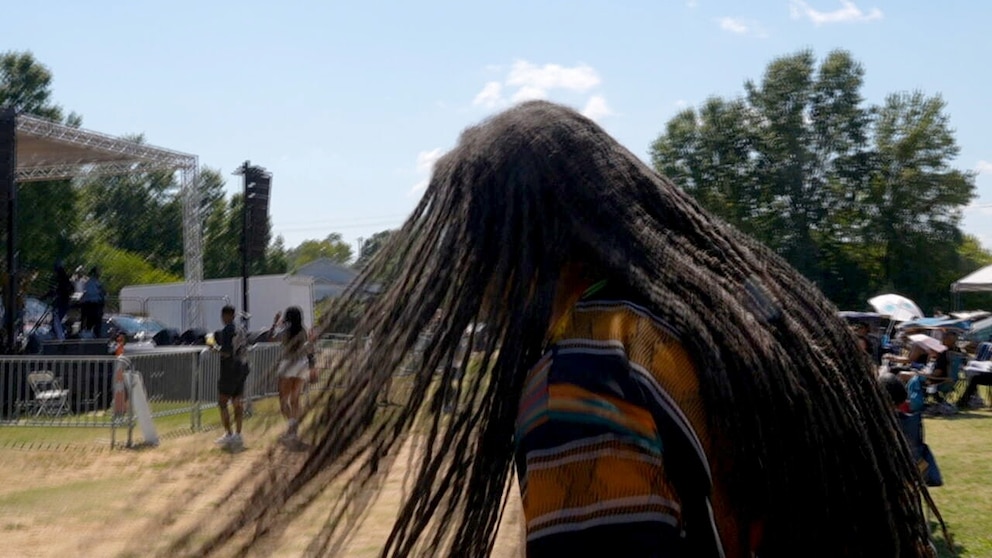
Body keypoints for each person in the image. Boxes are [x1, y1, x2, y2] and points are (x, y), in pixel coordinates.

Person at [173, 101, 945, 557]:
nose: (468, 273)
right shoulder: (745, 325)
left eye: (469, 243)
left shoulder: (589, 374)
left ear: (513, 242)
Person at [270, 306, 314, 445]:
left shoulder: (285, 330)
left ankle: (291, 427)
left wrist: (275, 323)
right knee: (295, 400)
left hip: (288, 364)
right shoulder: (303, 330)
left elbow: (271, 338)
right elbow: (309, 348)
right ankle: (294, 432)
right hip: (301, 364)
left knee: (283, 400)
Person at [214, 305, 249, 450]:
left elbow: (227, 352)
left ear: (226, 316)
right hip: (242, 367)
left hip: (229, 369)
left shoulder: (227, 331)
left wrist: (214, 348)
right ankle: (238, 434)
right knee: (237, 402)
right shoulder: (241, 329)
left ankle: (229, 433)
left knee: (223, 402)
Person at [45, 262, 74, 340]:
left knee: (57, 320)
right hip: (62, 302)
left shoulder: (61, 279)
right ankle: (57, 334)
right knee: (57, 319)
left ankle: (60, 337)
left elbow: (56, 290)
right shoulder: (64, 279)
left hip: (61, 302)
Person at [79, 267, 106, 337]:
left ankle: (88, 334)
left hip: (88, 305)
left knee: (89, 323)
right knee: (96, 324)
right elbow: (102, 294)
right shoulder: (96, 283)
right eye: (98, 272)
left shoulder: (87, 283)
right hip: (94, 306)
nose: (99, 274)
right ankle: (95, 336)